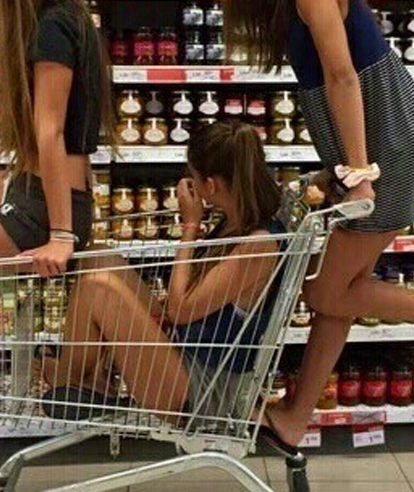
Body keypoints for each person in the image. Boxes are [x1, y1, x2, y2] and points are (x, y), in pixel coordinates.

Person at [225, 0, 414, 451]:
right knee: (340, 297)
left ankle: (294, 416)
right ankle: (294, 418)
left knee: (324, 293)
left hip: (386, 150)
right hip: (377, 145)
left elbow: (343, 76)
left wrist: (359, 173)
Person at [35, 121, 287, 421]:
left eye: (193, 178)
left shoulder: (259, 246)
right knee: (98, 258)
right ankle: (85, 380)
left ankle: (68, 380)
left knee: (97, 287)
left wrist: (189, 227)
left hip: (203, 389)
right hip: (186, 351)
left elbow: (180, 310)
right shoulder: (237, 221)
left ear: (210, 186)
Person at [0, 0, 114, 277]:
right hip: (46, 200)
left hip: (42, 211)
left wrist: (61, 234)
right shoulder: (69, 18)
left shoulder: (52, 26)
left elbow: (50, 131)